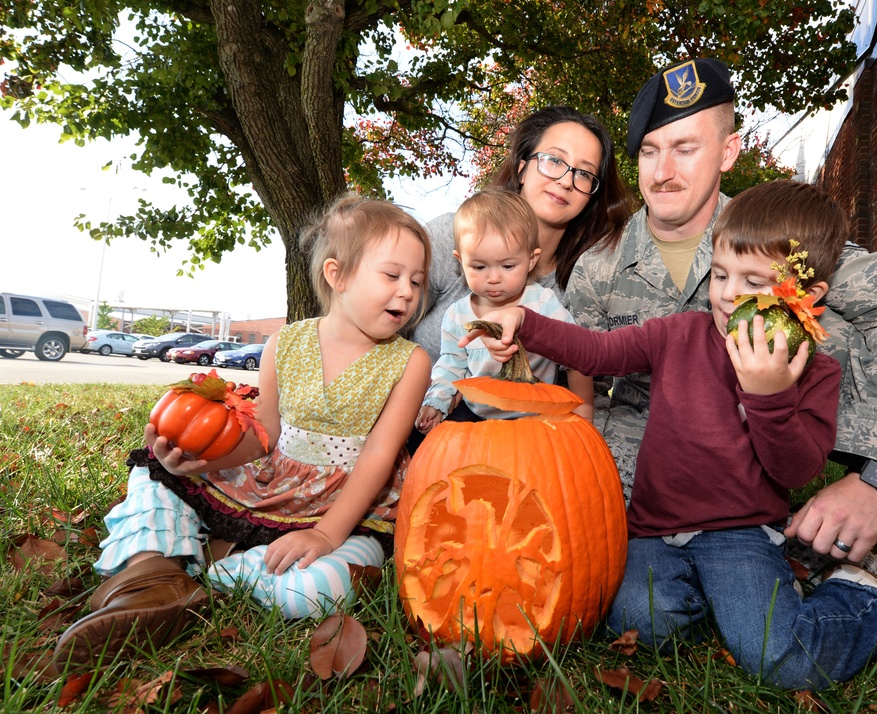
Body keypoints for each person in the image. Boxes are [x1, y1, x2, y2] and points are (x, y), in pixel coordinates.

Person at [464, 179, 877, 689]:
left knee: (781, 660)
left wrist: (769, 397)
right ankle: (723, 604)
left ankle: (868, 598)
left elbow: (796, 469)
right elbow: (597, 352)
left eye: (754, 281)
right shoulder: (678, 333)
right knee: (638, 624)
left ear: (806, 295)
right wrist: (526, 321)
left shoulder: (811, 367)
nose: (729, 293)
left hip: (737, 534)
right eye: (720, 274)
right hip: (652, 528)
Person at [566, 58, 877, 563]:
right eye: (649, 151)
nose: (662, 173)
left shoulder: (775, 232)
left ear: (728, 151)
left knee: (828, 331)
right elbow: (580, 394)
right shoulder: (598, 268)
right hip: (651, 450)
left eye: (685, 148)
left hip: (773, 437)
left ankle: (836, 527)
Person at [54, 196, 433, 669]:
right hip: (272, 482)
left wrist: (327, 535)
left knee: (311, 591)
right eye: (392, 275)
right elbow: (265, 434)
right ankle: (149, 579)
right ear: (337, 275)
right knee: (153, 475)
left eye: (417, 282)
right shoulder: (286, 342)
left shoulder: (409, 362)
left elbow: (380, 452)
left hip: (347, 504)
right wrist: (203, 461)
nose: (407, 292)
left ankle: (200, 572)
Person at [407, 106, 635, 366]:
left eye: (584, 173)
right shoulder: (451, 236)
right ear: (522, 169)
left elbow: (583, 373)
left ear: (591, 197)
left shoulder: (578, 289)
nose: (565, 181)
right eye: (555, 160)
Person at [415, 189, 593, 436]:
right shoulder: (458, 315)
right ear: (460, 261)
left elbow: (576, 355)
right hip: (475, 413)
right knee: (443, 448)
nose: (494, 278)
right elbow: (451, 365)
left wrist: (584, 411)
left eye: (508, 266)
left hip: (537, 414)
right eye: (479, 266)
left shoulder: (542, 302)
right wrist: (437, 402)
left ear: (531, 260)